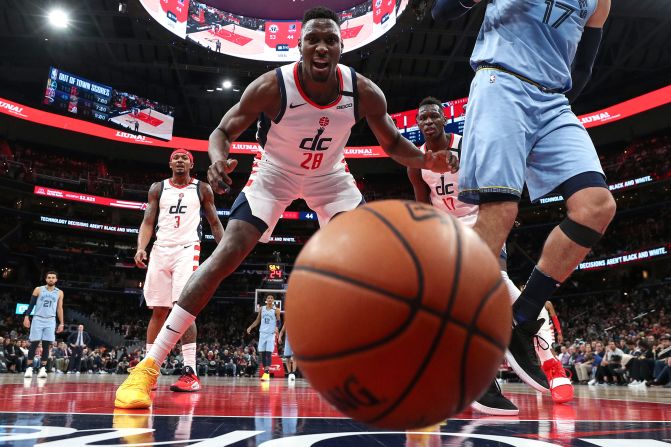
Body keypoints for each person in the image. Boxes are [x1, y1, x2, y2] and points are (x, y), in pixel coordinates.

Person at [114, 5, 456, 409]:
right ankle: (149, 367)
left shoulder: (363, 91)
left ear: (342, 46)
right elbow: (223, 130)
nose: (322, 46)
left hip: (329, 175)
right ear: (299, 45)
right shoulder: (272, 87)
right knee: (226, 254)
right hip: (274, 173)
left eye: (330, 39)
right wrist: (218, 161)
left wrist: (424, 159)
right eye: (313, 38)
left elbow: (393, 144)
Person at [429, 0, 616, 391]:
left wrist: (547, 115)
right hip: (502, 81)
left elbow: (583, 66)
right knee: (500, 210)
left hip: (553, 103)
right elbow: (441, 13)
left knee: (596, 205)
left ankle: (521, 320)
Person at [408, 98, 574, 412]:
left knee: (495, 283)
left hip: (481, 221)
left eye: (433, 116)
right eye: (422, 118)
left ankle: (547, 361)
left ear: (445, 121)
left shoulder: (467, 146)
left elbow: (493, 185)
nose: (428, 121)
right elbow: (423, 207)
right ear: (418, 125)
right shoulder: (415, 162)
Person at [134, 148, 224, 393]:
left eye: (185, 158)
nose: (180, 160)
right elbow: (148, 222)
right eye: (176, 157)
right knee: (159, 311)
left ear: (192, 164)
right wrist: (141, 247)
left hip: (187, 249)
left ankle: (190, 372)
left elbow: (215, 223)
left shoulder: (202, 188)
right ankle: (149, 370)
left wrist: (226, 253)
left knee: (184, 309)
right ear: (170, 163)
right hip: (160, 249)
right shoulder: (157, 188)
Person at [23, 271, 64, 379]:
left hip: (51, 320)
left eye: (53, 277)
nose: (51, 279)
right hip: (37, 318)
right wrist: (27, 317)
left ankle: (42, 369)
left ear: (56, 280)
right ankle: (29, 368)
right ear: (46, 279)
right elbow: (31, 304)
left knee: (47, 345)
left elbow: (60, 308)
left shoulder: (59, 292)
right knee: (34, 343)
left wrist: (62, 323)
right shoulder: (38, 289)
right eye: (49, 277)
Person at [247, 295, 280, 381]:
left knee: (268, 353)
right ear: (266, 300)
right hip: (262, 333)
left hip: (270, 334)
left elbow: (279, 322)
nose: (269, 299)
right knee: (263, 354)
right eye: (268, 298)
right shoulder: (262, 309)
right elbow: (258, 320)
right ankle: (266, 371)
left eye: (271, 298)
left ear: (273, 300)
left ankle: (266, 373)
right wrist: (250, 327)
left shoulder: (276, 310)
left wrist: (277, 327)